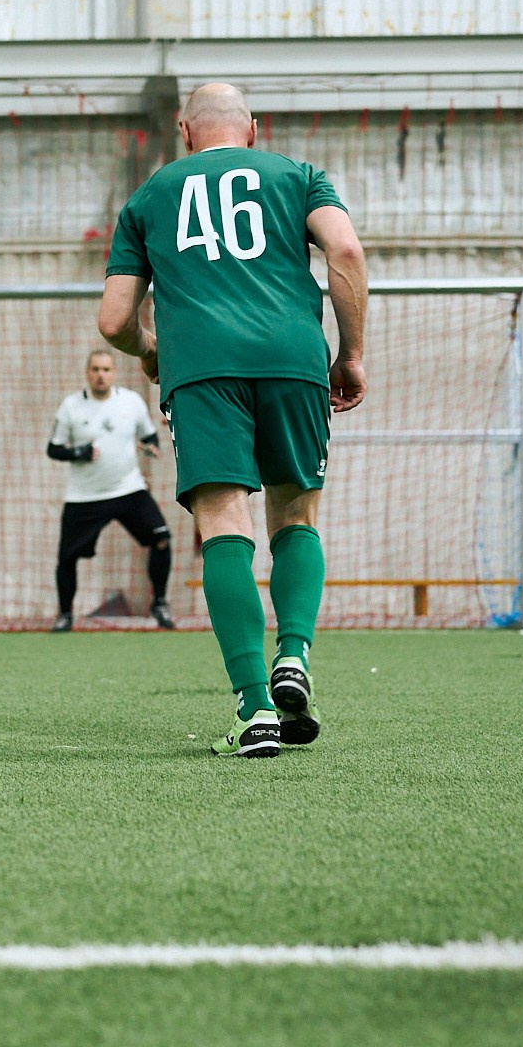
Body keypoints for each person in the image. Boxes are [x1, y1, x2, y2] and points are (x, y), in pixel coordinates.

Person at [97, 83, 369, 758]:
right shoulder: (300, 177)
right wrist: (351, 354)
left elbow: (112, 321)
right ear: (252, 130)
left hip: (203, 367)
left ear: (185, 131)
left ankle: (254, 709)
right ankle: (294, 655)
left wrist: (151, 348)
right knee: (296, 516)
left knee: (224, 522)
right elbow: (347, 253)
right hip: (293, 357)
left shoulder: (150, 196)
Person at [46, 349, 176, 632]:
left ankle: (160, 603)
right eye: (95, 369)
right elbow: (53, 449)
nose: (100, 375)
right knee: (66, 558)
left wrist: (152, 445)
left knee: (162, 539)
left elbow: (149, 434)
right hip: (85, 496)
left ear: (113, 372)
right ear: (87, 373)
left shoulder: (131, 402)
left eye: (106, 369)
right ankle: (65, 615)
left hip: (129, 489)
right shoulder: (71, 406)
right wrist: (79, 451)